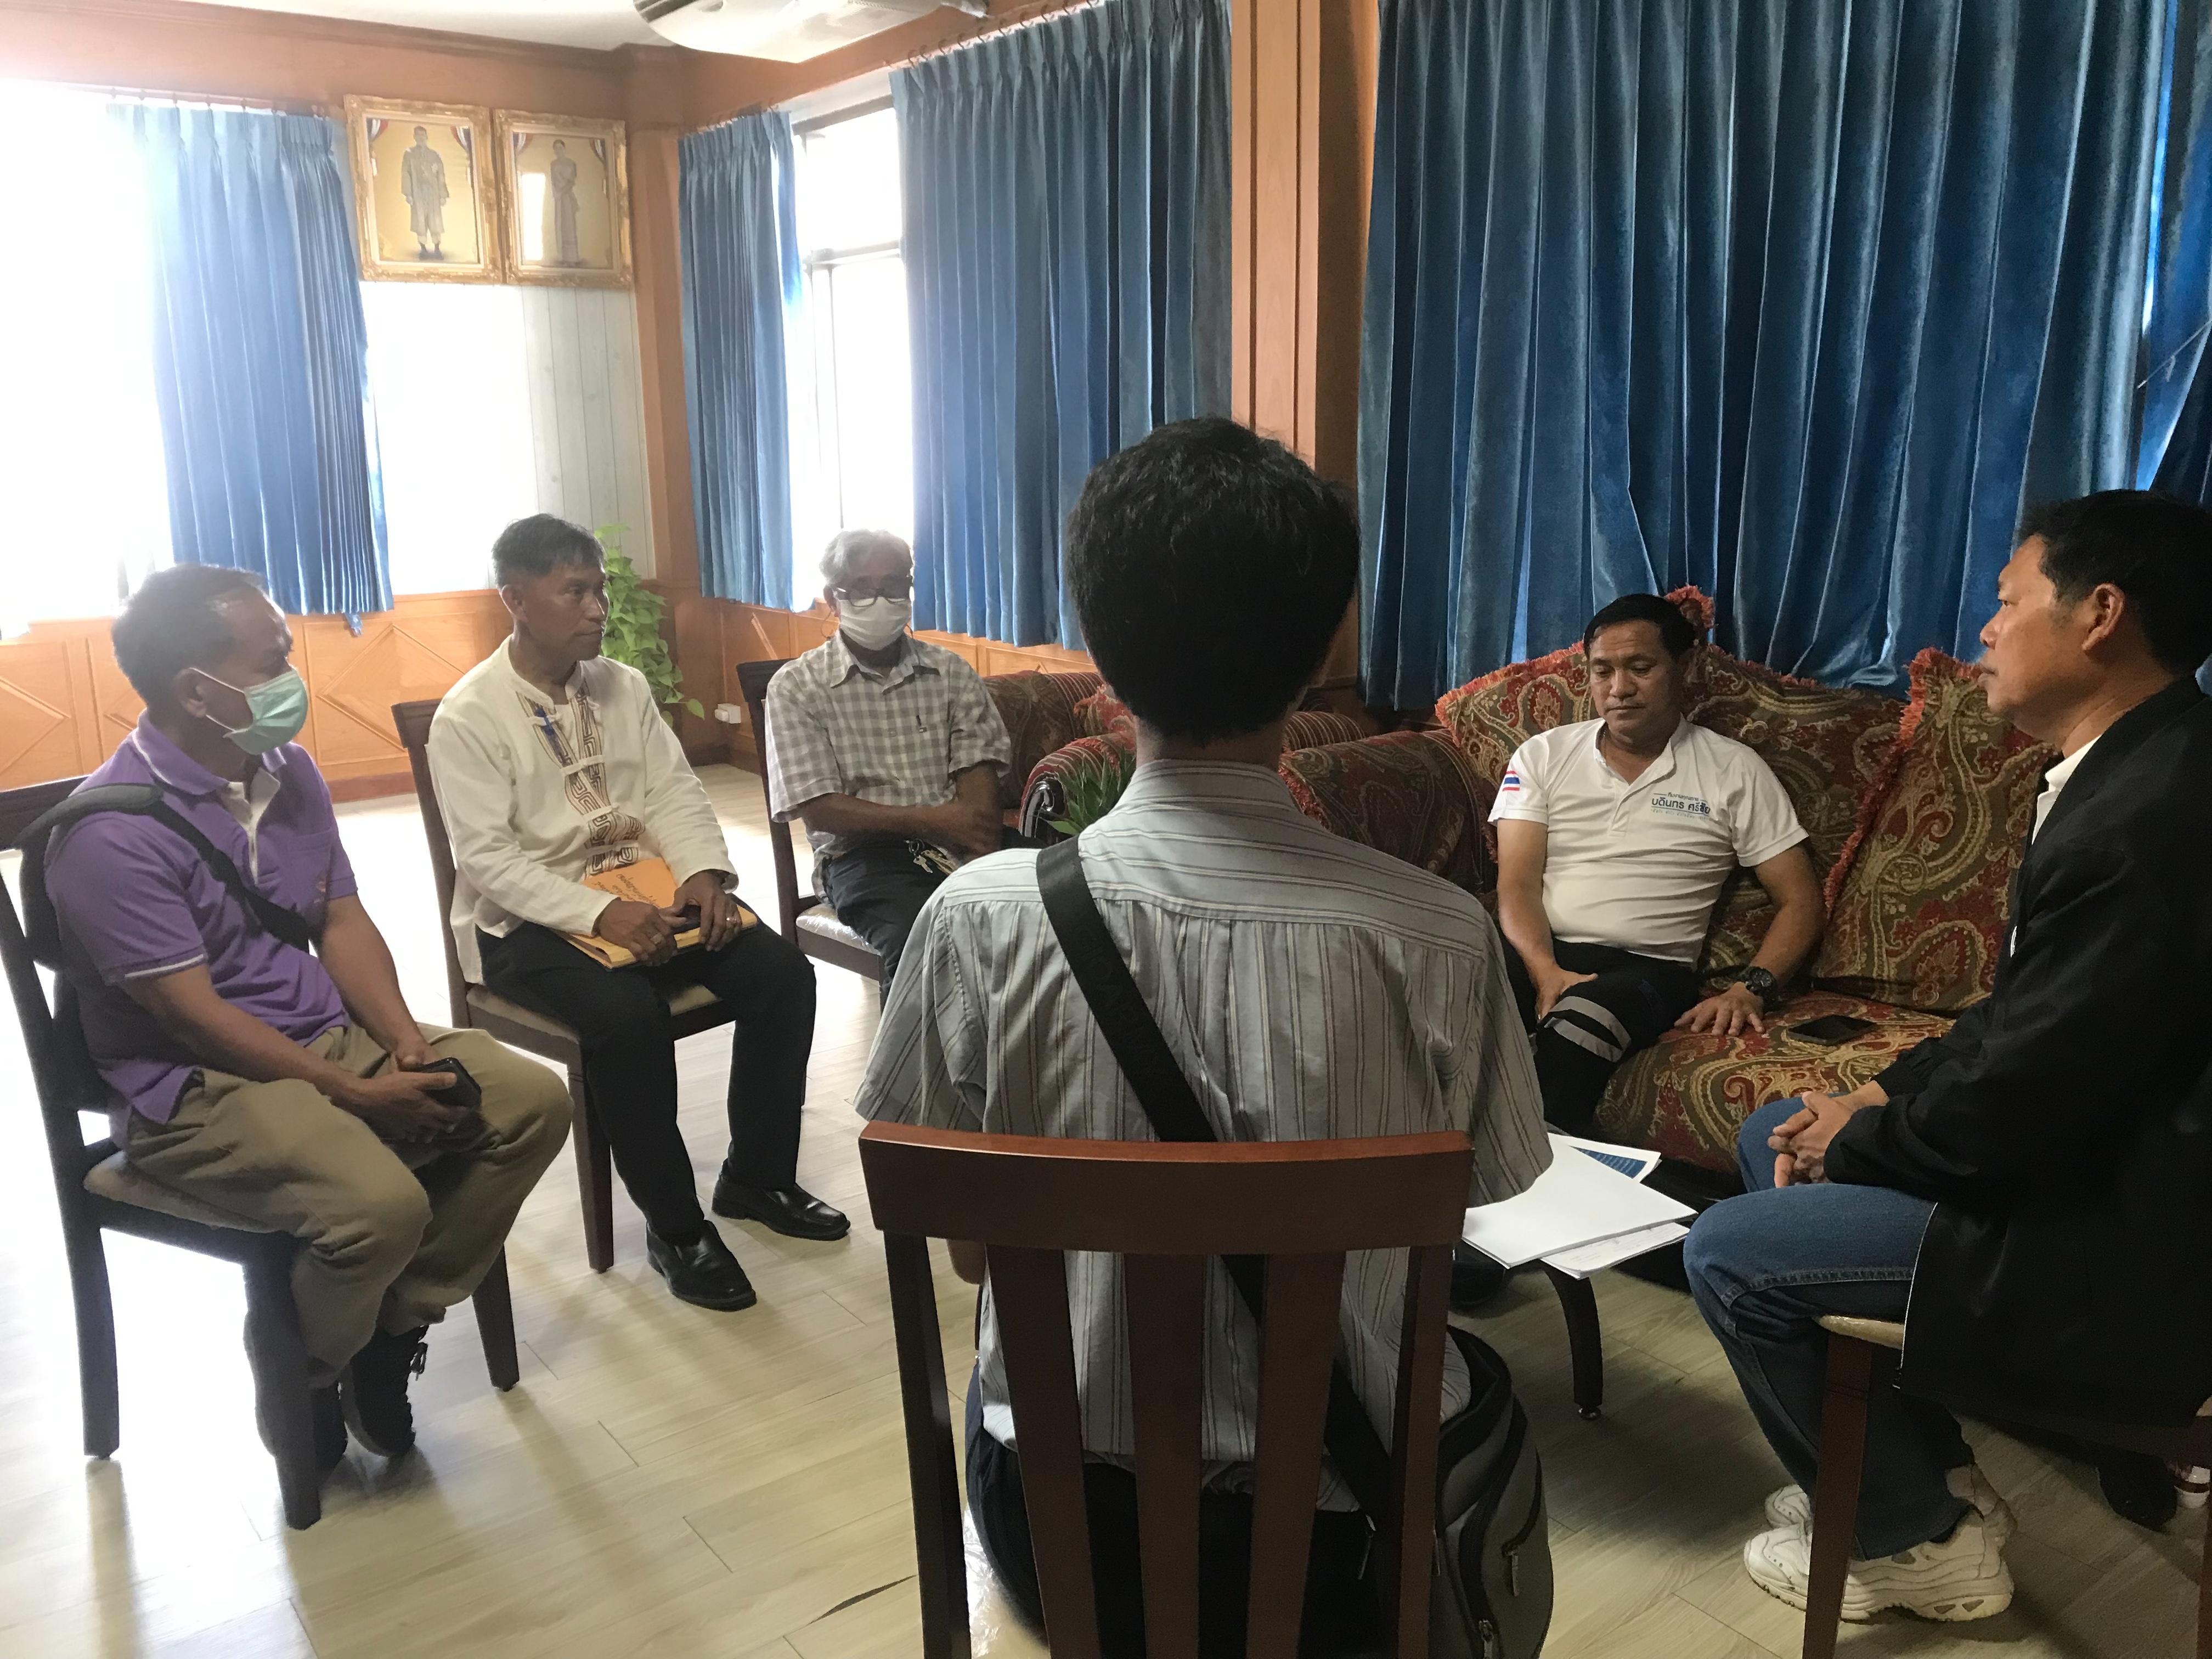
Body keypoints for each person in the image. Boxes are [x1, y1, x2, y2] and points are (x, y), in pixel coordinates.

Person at [855, 418, 1551, 1656]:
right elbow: (1478, 1206)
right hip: (1344, 1540)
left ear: (1101, 657)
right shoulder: (1442, 936)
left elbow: (965, 1252)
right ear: (1317, 660)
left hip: (1059, 1525)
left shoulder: (974, 921)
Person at [1683, 490, 2212, 1625]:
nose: (1985, 627)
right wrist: (1874, 1090)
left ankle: (1914, 1542)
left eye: (2008, 600)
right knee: (1771, 1129)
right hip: (2085, 1157)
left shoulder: (2149, 819)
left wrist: (1864, 1138)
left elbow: (2022, 1101)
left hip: (2119, 1226)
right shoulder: (2138, 764)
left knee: (1729, 1253)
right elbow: (2022, 1018)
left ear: (2099, 614)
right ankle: (1928, 1481)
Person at [42, 566, 571, 1468]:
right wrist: (353, 1093)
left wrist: (404, 1042)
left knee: (529, 1101)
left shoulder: (287, 771)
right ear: (196, 692)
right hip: (196, 1085)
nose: (293, 676)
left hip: (327, 1037)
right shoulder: (108, 836)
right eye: (272, 660)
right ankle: (305, 1365)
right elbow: (195, 1018)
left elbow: (340, 920)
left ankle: (388, 1330)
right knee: (379, 1204)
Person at [429, 515, 844, 1316]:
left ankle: (757, 1178)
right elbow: (488, 863)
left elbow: (672, 791)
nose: (598, 609)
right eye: (574, 593)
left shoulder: (621, 684)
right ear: (516, 599)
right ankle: (676, 1229)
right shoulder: (470, 714)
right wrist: (596, 913)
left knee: (781, 973)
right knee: (626, 1017)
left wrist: (703, 876)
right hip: (531, 923)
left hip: (651, 892)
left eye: (601, 591)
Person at [1451, 594, 1824, 1308]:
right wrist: (1543, 969)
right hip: (1537, 944)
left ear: (1685, 668)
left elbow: (1801, 899)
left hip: (1648, 969)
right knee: (1439, 987)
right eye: (1602, 671)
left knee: (1580, 1027)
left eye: (1640, 668)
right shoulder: (1544, 756)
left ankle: (1487, 1234)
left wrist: (1750, 985)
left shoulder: (1733, 770)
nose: (1618, 688)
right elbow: (1516, 885)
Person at [764, 528, 1013, 994]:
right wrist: (938, 822)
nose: (880, 600)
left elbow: (979, 786)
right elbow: (821, 810)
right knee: (923, 940)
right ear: (833, 599)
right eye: (862, 588)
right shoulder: (797, 686)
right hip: (862, 858)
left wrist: (979, 862)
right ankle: (917, 1046)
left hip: (961, 841)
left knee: (1061, 903)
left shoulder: (951, 673)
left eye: (894, 585)